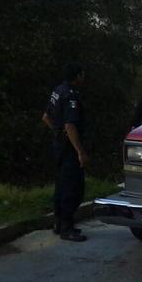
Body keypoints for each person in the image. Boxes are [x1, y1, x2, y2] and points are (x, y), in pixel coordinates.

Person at [42, 63, 89, 242]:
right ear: (77, 76)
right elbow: (70, 125)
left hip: (58, 146)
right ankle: (67, 228)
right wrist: (80, 152)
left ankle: (59, 223)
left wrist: (56, 131)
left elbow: (46, 117)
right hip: (69, 148)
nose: (84, 78)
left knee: (61, 185)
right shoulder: (71, 96)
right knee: (72, 187)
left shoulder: (58, 90)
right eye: (82, 74)